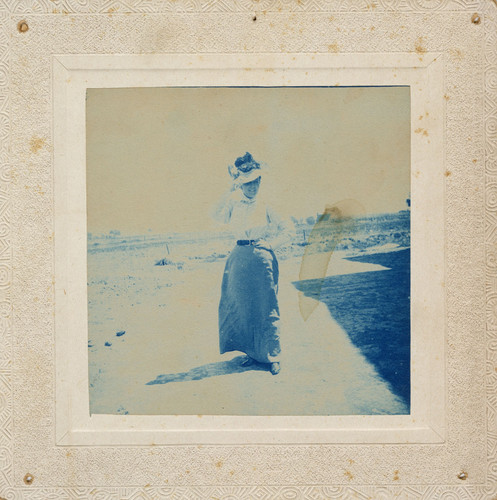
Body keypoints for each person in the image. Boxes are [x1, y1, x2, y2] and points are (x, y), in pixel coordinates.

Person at [211, 152, 288, 375]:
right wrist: (229, 189)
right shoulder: (233, 204)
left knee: (267, 306)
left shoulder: (266, 204)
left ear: (260, 182)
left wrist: (270, 246)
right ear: (240, 184)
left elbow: (288, 230)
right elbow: (215, 214)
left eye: (256, 182)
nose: (252, 187)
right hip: (238, 259)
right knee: (243, 307)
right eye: (247, 183)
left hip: (262, 258)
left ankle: (273, 356)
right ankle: (252, 354)